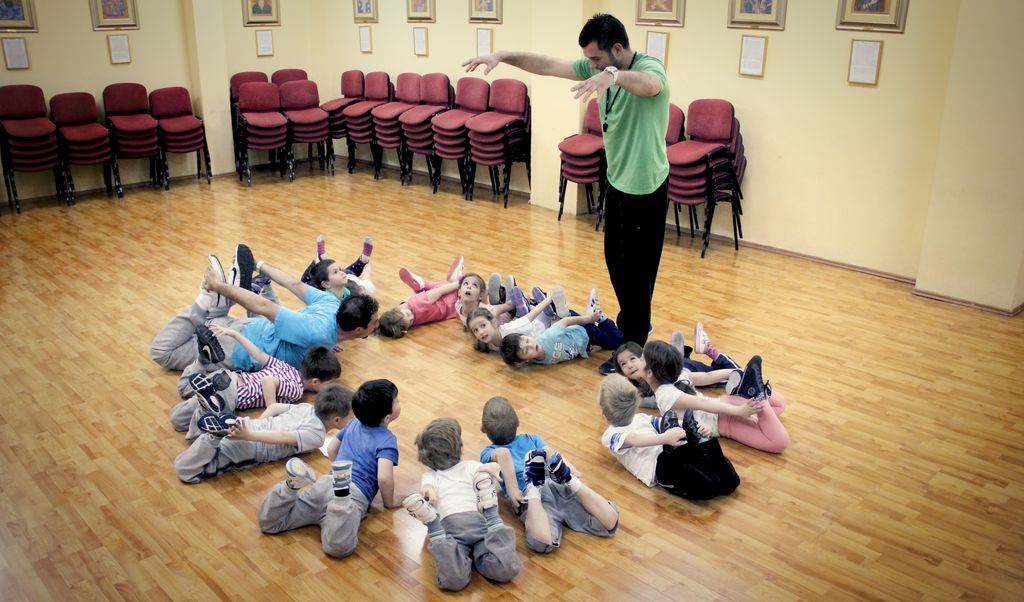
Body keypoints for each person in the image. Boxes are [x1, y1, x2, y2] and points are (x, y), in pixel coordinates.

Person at [463, 13, 670, 374]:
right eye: (590, 60)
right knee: (616, 262)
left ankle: (634, 348)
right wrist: (502, 56)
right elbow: (548, 65)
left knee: (638, 273)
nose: (592, 65)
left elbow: (651, 85)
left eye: (597, 59)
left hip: (647, 189)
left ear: (616, 49)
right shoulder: (600, 66)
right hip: (618, 183)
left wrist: (613, 76)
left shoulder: (646, 67)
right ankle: (632, 331)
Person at [257, 379, 401, 558]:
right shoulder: (387, 440)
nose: (399, 402)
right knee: (338, 548)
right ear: (387, 417)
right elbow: (384, 478)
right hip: (353, 495)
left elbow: (332, 448)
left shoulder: (353, 423)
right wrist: (389, 502)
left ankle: (289, 487)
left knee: (271, 525)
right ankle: (341, 502)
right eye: (397, 400)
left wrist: (339, 471)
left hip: (325, 483)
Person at [479, 397, 619, 554]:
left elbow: (503, 454)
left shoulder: (488, 452)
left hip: (533, 499)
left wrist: (512, 489)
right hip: (557, 484)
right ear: (517, 422)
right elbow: (550, 452)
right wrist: (569, 468)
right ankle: (571, 480)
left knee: (542, 542)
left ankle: (533, 485)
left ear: (482, 429)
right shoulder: (532, 439)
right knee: (609, 523)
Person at [402, 418, 521, 591]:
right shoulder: (471, 466)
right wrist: (493, 469)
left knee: (454, 580)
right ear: (461, 448)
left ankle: (435, 528)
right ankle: (491, 516)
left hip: (453, 529)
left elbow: (427, 488)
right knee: (505, 570)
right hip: (477, 525)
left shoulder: (431, 475)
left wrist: (429, 493)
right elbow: (490, 469)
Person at [168, 325, 341, 439]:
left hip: (229, 377)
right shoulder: (296, 389)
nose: (330, 387)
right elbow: (268, 381)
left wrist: (235, 334)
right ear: (315, 381)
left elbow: (258, 354)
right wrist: (271, 411)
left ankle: (202, 361)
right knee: (185, 425)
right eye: (329, 383)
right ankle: (206, 405)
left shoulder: (286, 366)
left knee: (183, 391)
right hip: (231, 393)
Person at [598, 374, 740, 500]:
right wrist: (665, 438)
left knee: (730, 482)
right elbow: (633, 439)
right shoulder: (610, 436)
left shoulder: (640, 418)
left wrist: (692, 425)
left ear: (603, 411)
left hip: (673, 452)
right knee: (706, 484)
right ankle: (696, 444)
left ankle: (705, 442)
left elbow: (662, 422)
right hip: (658, 468)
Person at [173, 384, 351, 483]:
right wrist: (247, 436)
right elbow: (283, 438)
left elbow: (274, 407)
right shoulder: (317, 436)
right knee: (187, 471)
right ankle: (213, 436)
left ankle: (204, 411)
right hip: (252, 446)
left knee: (195, 442)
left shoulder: (306, 407)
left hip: (248, 425)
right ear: (336, 420)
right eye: (352, 417)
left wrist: (256, 425)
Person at [640, 341, 790, 453]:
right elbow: (708, 376)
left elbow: (702, 403)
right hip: (726, 403)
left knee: (779, 443)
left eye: (640, 359)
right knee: (779, 405)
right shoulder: (677, 376)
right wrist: (736, 371)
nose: (637, 362)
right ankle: (753, 391)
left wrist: (740, 411)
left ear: (650, 373)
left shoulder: (665, 395)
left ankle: (757, 395)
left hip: (726, 421)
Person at [499, 289, 623, 367]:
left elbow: (565, 322)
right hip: (584, 343)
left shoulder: (548, 338)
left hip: (583, 330)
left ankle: (599, 317)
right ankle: (560, 312)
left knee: (618, 341)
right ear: (523, 361)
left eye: (527, 340)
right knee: (609, 342)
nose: (531, 345)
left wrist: (587, 319)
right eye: (526, 351)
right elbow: (515, 362)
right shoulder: (534, 361)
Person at [377, 256, 466, 338]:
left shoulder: (417, 303)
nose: (412, 317)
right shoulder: (403, 318)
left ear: (397, 309)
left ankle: (457, 278)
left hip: (448, 300)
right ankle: (423, 285)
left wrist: (461, 283)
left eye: (408, 315)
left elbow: (440, 291)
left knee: (466, 292)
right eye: (410, 322)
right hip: (440, 304)